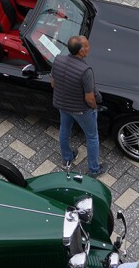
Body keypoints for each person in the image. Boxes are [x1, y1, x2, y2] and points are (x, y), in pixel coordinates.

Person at [50, 36, 100, 175]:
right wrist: (94, 107)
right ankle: (94, 169)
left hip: (62, 105)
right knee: (92, 137)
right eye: (87, 46)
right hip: (81, 110)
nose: (89, 48)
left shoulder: (58, 60)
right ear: (81, 52)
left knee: (64, 129)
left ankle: (67, 158)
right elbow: (89, 98)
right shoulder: (86, 71)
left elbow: (53, 84)